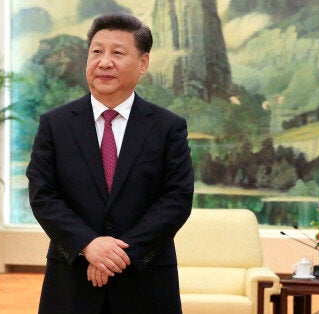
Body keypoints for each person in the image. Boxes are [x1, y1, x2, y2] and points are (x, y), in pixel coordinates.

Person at [26, 12, 194, 314]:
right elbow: (43, 195)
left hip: (145, 282)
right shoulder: (55, 124)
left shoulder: (168, 127)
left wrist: (118, 255)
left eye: (117, 53)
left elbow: (176, 199)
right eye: (97, 51)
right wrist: (89, 245)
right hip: (72, 280)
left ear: (143, 63)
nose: (104, 62)